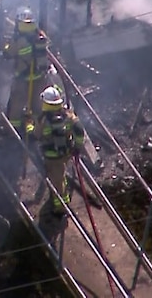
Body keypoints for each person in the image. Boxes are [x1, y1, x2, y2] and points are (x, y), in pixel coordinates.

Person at [27, 85, 86, 216]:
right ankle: (61, 193)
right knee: (60, 174)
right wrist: (77, 147)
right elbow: (79, 130)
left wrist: (29, 125)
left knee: (57, 183)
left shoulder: (43, 120)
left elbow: (35, 135)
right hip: (66, 153)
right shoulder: (68, 114)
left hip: (51, 157)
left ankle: (60, 208)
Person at [2, 7, 50, 138]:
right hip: (39, 77)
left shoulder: (18, 39)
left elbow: (9, 53)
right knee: (37, 106)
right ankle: (36, 132)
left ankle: (14, 132)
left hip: (23, 78)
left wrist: (5, 48)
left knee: (16, 105)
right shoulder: (39, 35)